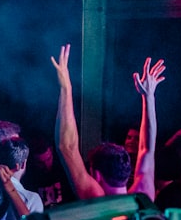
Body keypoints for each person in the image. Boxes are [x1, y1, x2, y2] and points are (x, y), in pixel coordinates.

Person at [51, 45, 164, 200]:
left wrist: (66, 88)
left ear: (96, 174)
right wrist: (149, 96)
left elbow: (67, 146)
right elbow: (147, 149)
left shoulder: (95, 199)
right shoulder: (142, 197)